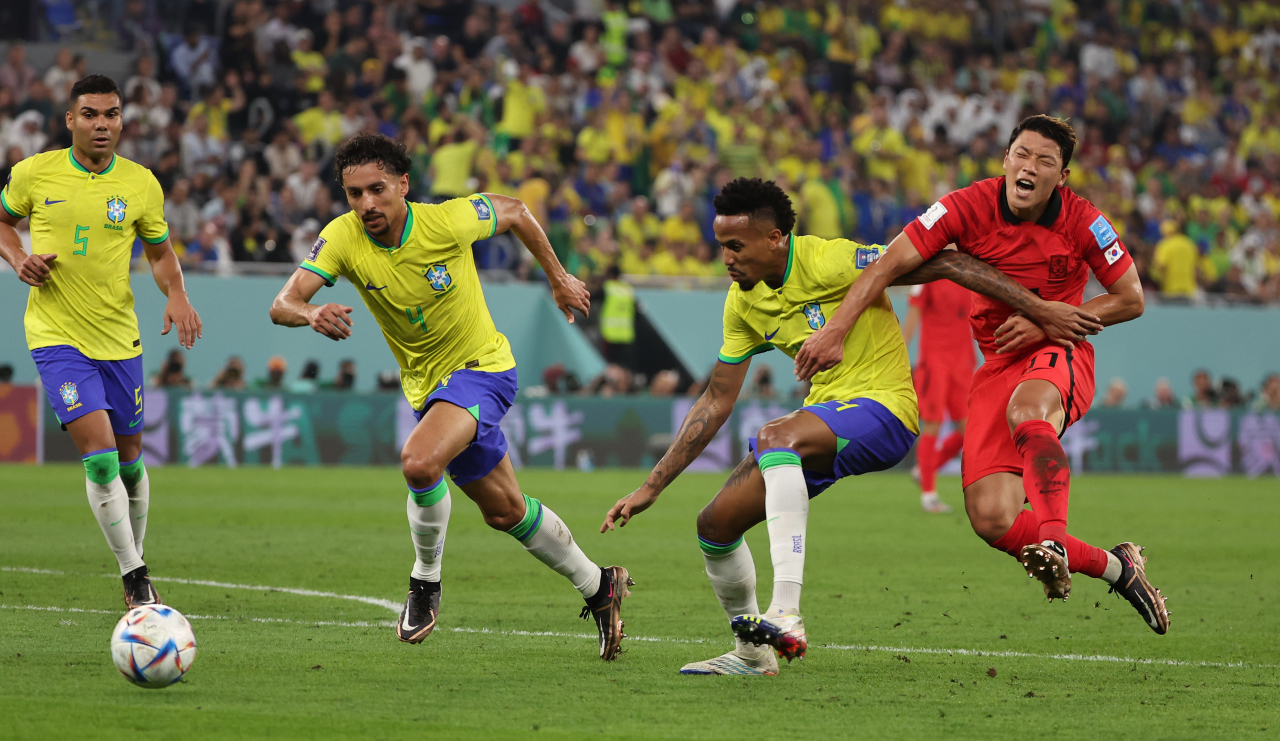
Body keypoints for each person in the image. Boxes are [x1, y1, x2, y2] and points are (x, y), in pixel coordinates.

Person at [600, 177, 1084, 675]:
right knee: (714, 526)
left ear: (775, 238)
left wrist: (1039, 310)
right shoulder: (742, 302)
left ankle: (786, 613)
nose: (726, 258)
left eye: (736, 246)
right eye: (721, 245)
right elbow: (717, 399)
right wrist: (652, 486)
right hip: (823, 422)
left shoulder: (830, 259)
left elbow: (946, 262)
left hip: (885, 410)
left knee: (775, 436)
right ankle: (752, 655)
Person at [793, 115, 1168, 634]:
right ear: (1006, 159)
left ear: (1061, 177)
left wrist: (1046, 321)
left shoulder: (1084, 221)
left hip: (1059, 347)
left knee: (1028, 410)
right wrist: (836, 329)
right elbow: (886, 266)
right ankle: (1118, 568)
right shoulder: (964, 207)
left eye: (1045, 161)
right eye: (1022, 154)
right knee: (991, 517)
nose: (1029, 167)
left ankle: (1054, 542)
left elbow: (1131, 298)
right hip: (995, 363)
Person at [269, 134, 631, 658]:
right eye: (354, 194)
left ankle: (424, 582)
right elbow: (282, 303)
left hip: (483, 369)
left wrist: (557, 277)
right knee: (506, 512)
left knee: (419, 462)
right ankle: (600, 586)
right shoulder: (343, 236)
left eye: (377, 189)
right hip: (429, 388)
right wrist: (309, 312)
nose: (366, 204)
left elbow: (516, 210)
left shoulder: (446, 221)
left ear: (403, 185)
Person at [0, 75, 202, 610]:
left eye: (111, 114)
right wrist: (18, 258)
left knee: (131, 462)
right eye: (90, 114)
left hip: (119, 338)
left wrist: (177, 293)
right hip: (57, 337)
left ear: (122, 120)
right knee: (101, 460)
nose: (102, 124)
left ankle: (135, 552)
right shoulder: (34, 172)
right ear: (70, 120)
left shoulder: (141, 184)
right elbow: (2, 222)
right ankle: (135, 575)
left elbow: (160, 253)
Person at [901, 278, 973, 513]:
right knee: (933, 424)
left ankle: (924, 470)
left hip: (964, 362)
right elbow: (912, 317)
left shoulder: (971, 273)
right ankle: (929, 495)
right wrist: (897, 358)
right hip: (934, 362)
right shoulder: (927, 276)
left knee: (970, 431)